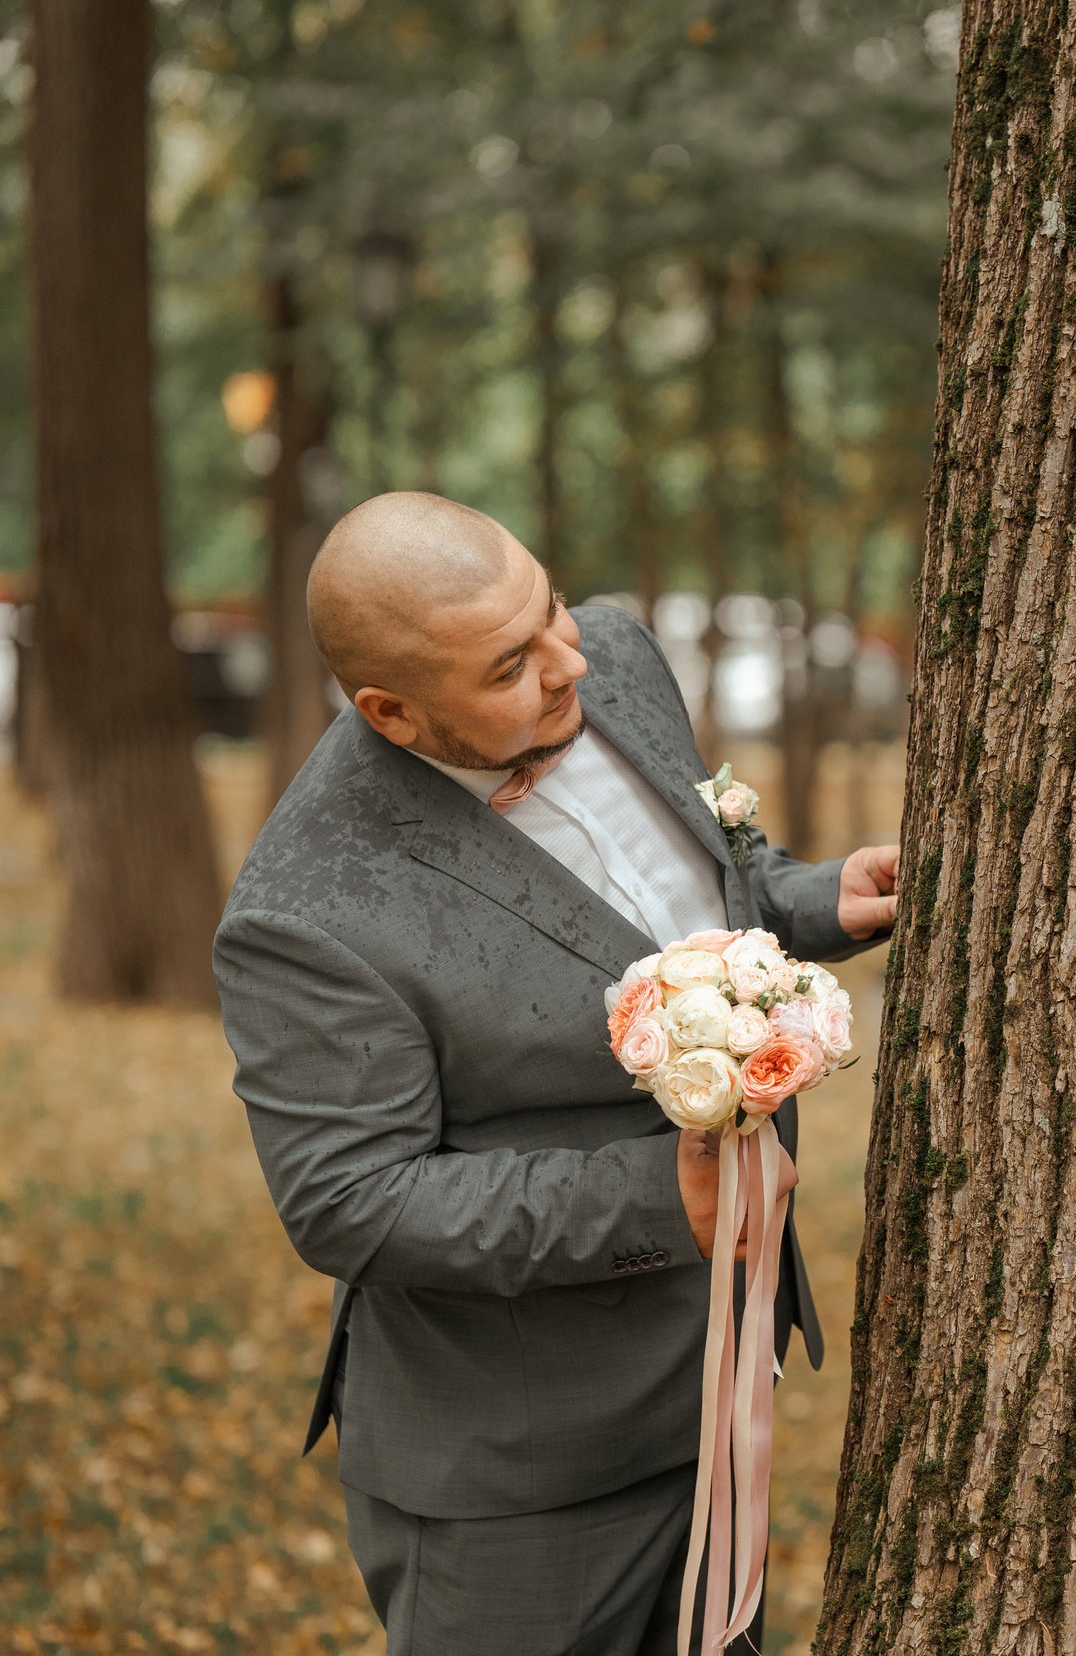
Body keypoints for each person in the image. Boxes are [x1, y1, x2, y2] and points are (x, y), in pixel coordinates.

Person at [215, 493, 900, 1653]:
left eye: (550, 615)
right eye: (507, 667)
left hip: (728, 1375)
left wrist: (801, 898)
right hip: (518, 1477)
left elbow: (682, 877)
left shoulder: (610, 654)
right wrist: (659, 1202)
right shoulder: (307, 910)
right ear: (394, 711)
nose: (565, 661)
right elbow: (352, 1203)